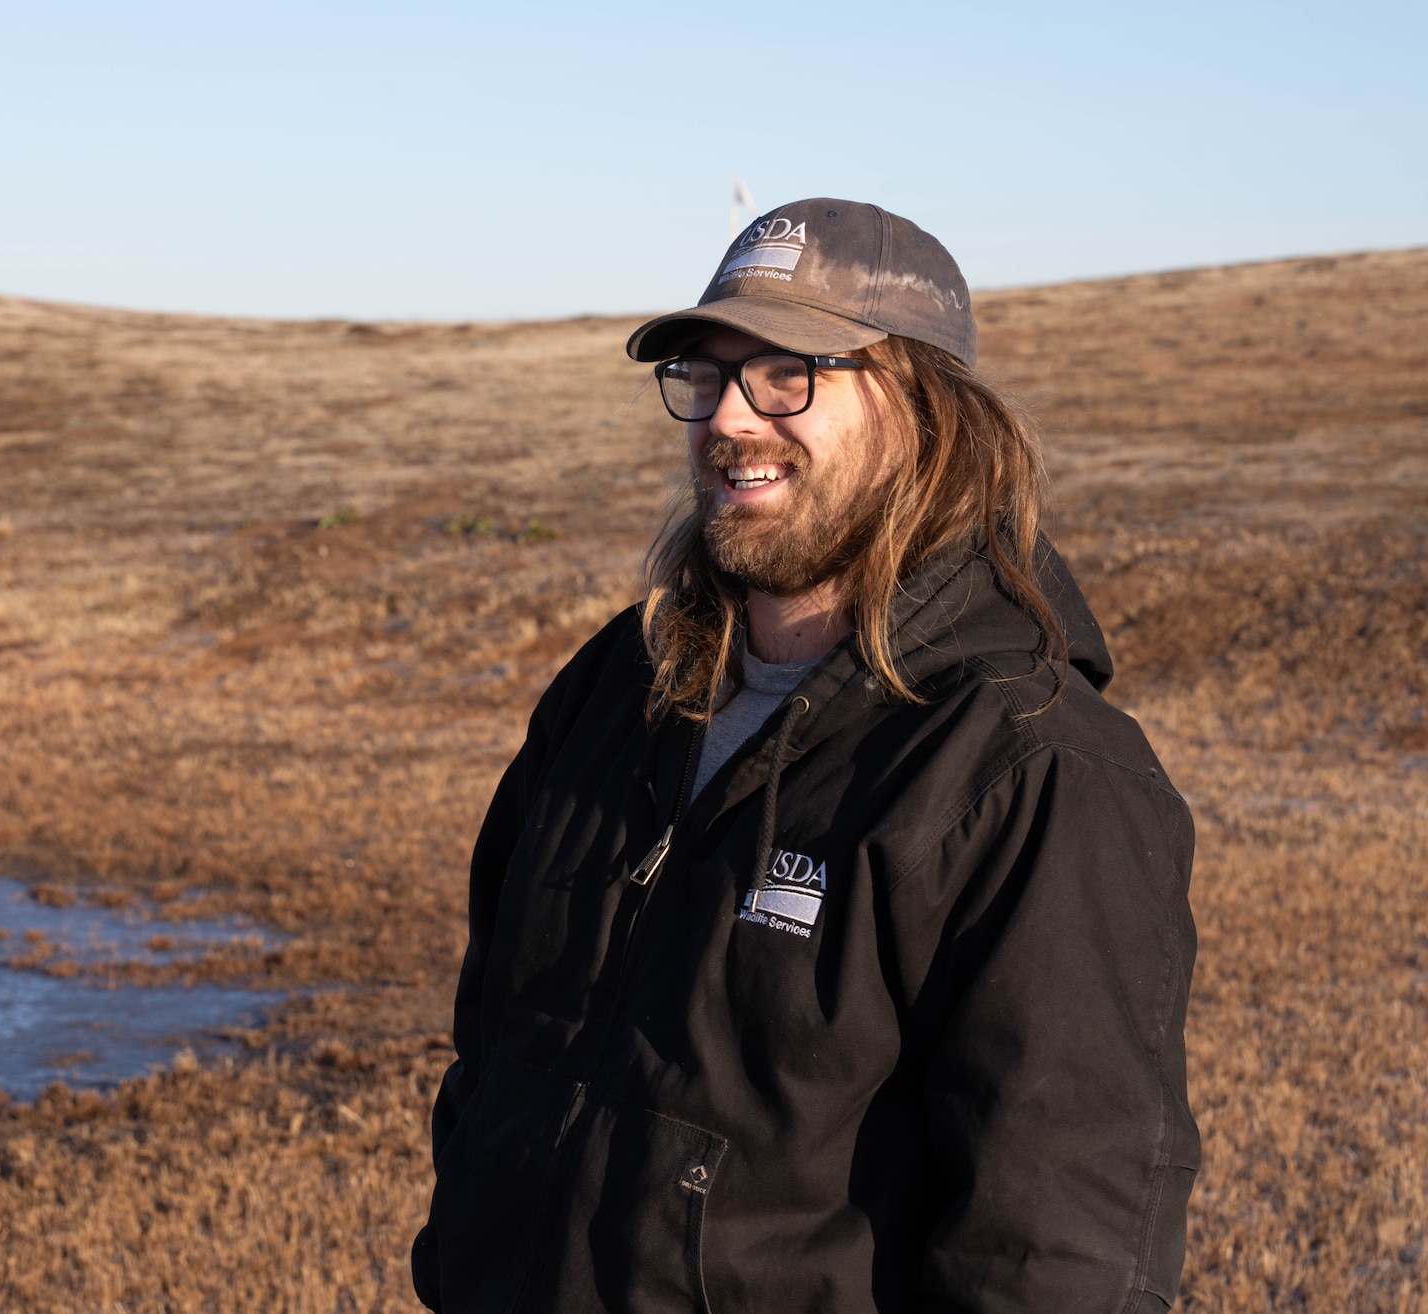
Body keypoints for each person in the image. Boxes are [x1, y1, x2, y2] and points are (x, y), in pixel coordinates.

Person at [411, 199, 1198, 1313]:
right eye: (707, 374)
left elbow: (1054, 1253)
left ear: (927, 412)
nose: (728, 418)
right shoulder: (613, 691)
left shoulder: (1030, 773)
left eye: (787, 373)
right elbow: (495, 1046)